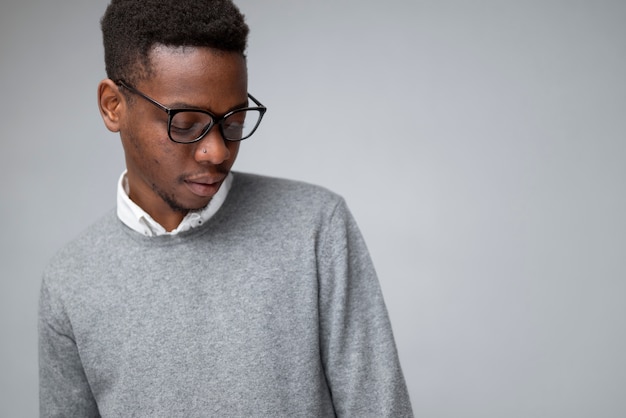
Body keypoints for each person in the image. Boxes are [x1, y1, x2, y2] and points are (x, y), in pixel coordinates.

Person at [38, 0, 413, 416]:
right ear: (113, 105)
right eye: (185, 124)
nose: (217, 151)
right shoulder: (71, 281)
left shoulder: (315, 228)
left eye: (233, 122)